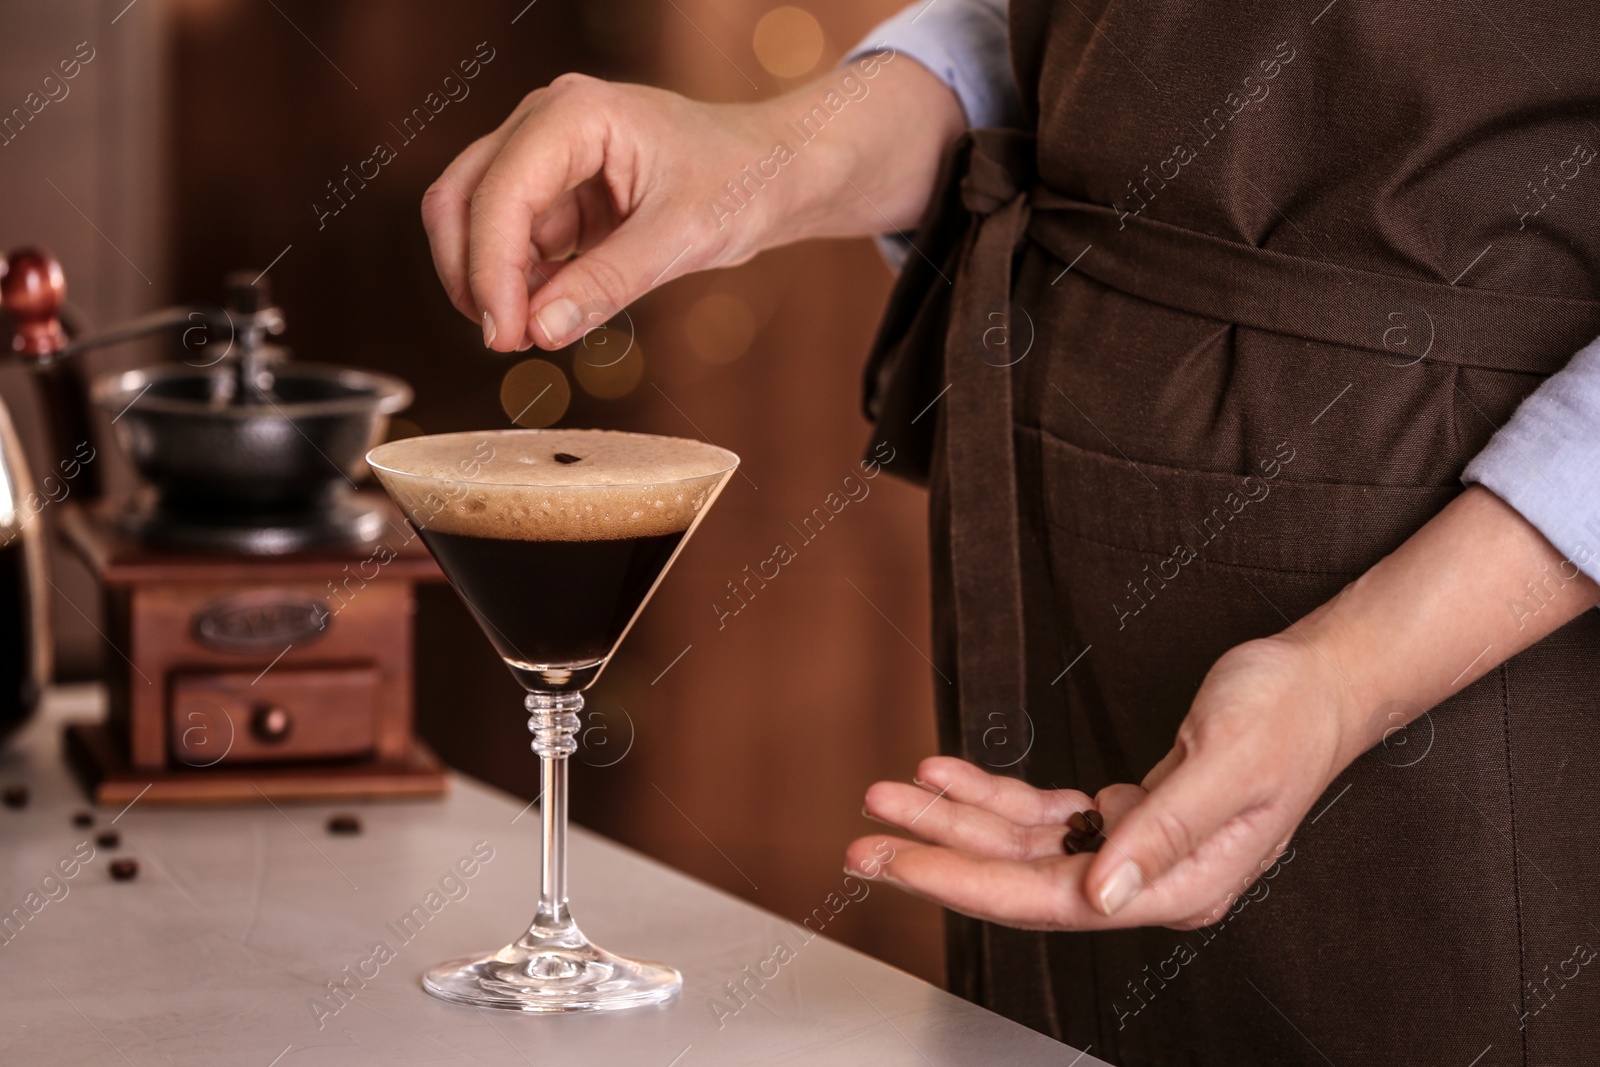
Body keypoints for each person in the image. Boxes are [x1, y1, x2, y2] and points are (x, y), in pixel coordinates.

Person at [421, 2, 1600, 1061]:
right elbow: (1074, 39)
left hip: (1460, 641)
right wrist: (765, 154)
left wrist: (1350, 676)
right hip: (1053, 508)